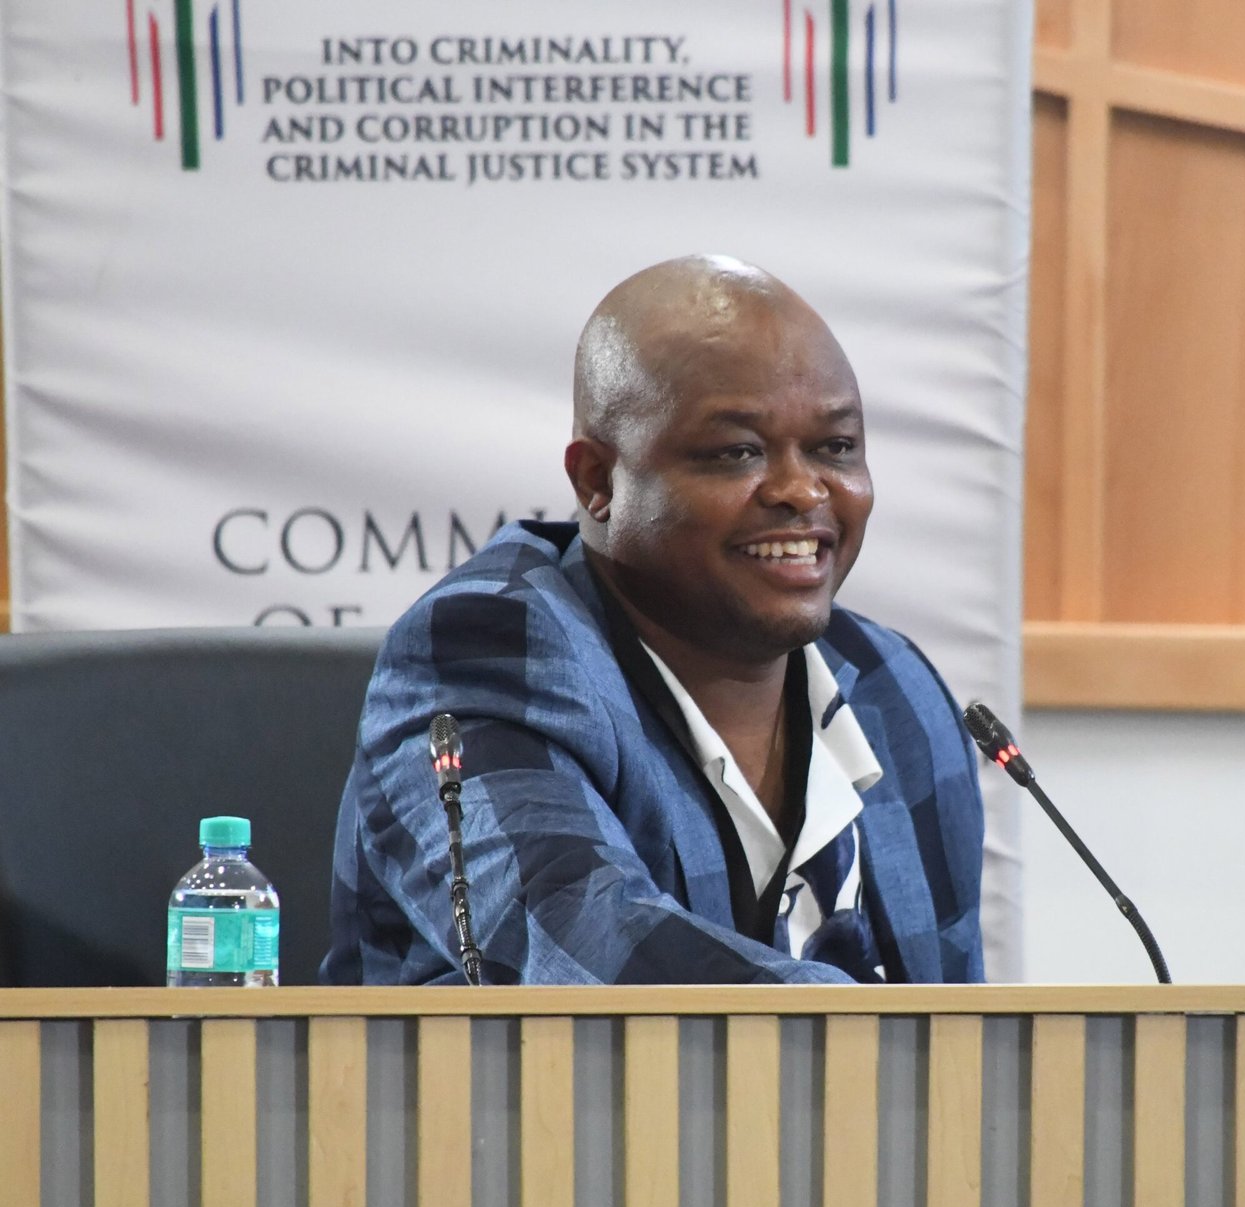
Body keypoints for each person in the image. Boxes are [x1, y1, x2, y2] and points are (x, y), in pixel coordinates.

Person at [322, 255, 984, 984]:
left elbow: (964, 1018)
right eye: (738, 452)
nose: (802, 489)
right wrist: (873, 1030)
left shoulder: (895, 689)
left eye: (835, 448)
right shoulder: (485, 653)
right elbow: (587, 952)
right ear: (597, 481)